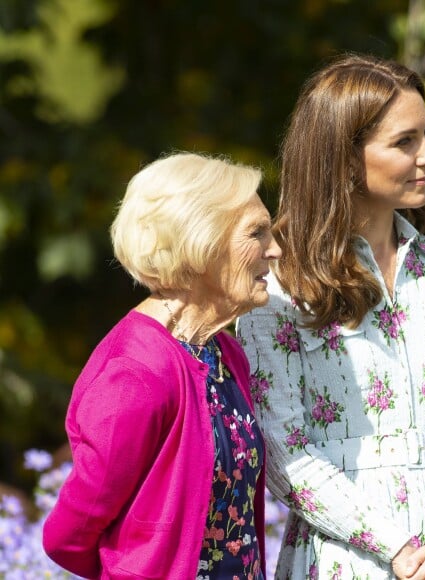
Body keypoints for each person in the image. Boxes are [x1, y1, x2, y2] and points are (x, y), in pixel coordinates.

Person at [237, 54, 425, 580]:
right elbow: (282, 449)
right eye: (405, 142)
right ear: (343, 157)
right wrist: (399, 548)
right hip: (344, 563)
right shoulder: (279, 283)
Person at [43, 151, 282, 579]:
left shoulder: (224, 354)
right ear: (201, 242)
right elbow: (67, 534)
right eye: (257, 233)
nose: (276, 249)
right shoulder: (136, 373)